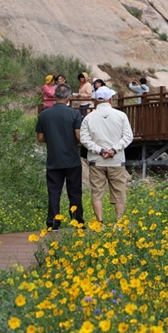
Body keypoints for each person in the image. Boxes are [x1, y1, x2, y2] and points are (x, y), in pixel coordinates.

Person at [35, 83, 85, 231]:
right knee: (74, 192)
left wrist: (52, 139)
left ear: (55, 96)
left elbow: (40, 137)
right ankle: (77, 221)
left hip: (53, 159)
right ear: (69, 97)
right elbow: (78, 136)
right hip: (71, 159)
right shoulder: (74, 114)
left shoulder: (44, 114)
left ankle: (53, 222)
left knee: (54, 192)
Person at [81, 86, 134, 223]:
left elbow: (84, 139)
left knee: (97, 191)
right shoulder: (121, 116)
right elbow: (128, 137)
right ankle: (119, 222)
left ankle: (100, 222)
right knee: (119, 191)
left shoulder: (88, 118)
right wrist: (113, 150)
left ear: (95, 100)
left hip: (96, 160)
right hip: (116, 160)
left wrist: (100, 150)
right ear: (111, 99)